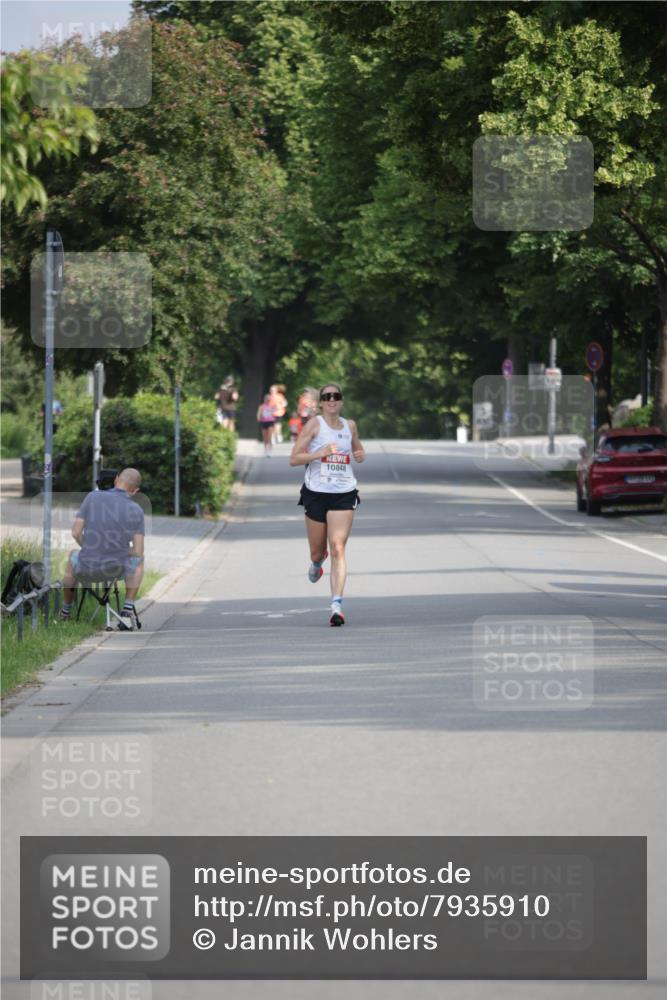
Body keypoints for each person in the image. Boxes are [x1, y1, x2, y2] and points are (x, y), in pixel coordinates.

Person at [289, 382, 365, 627]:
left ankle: (336, 605)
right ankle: (316, 563)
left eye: (336, 396)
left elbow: (357, 448)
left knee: (338, 547)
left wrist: (360, 454)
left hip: (343, 491)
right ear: (321, 402)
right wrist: (318, 454)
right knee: (318, 551)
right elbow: (294, 458)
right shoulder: (314, 425)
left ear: (342, 400)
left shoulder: (349, 425)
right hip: (316, 493)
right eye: (327, 396)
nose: (332, 399)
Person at [60, 468, 145, 631]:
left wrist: (91, 547)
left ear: (116, 479)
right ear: (135, 491)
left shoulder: (92, 497)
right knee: (139, 560)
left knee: (72, 555)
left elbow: (75, 532)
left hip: (87, 568)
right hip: (115, 568)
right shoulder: (136, 510)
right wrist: (120, 549)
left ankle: (65, 612)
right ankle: (127, 610)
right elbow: (138, 551)